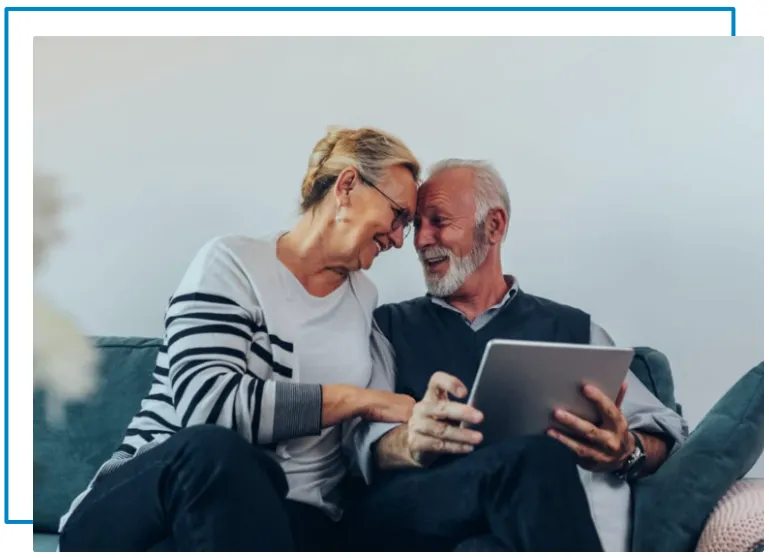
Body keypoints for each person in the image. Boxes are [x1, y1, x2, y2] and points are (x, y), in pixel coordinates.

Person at [58, 127, 422, 552]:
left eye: (408, 225)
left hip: (285, 520)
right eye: (398, 215)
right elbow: (208, 408)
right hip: (158, 503)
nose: (399, 238)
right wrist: (357, 399)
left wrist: (418, 427)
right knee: (215, 452)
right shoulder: (233, 264)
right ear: (346, 186)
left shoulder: (364, 302)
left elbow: (370, 434)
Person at [343, 159, 689, 552]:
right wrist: (409, 440)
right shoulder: (387, 327)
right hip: (413, 513)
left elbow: (667, 433)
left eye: (438, 221)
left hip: (517, 527)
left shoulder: (576, 331)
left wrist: (628, 450)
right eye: (416, 224)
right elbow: (356, 443)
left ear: (493, 226)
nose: (421, 240)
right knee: (537, 457)